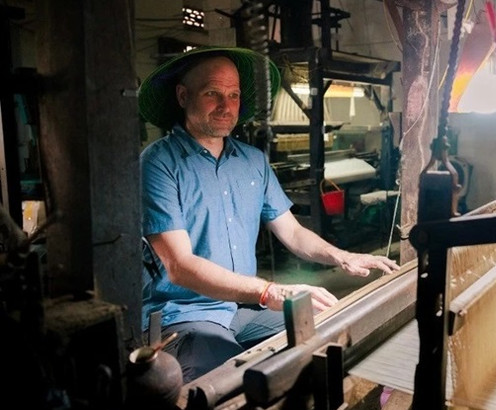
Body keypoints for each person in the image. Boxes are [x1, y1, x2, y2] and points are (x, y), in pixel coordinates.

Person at [137, 46, 399, 383]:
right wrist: (269, 291)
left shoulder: (252, 161)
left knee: (330, 334)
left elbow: (293, 232)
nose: (226, 105)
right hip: (187, 312)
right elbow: (179, 265)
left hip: (245, 308)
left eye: (233, 95)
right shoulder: (158, 163)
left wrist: (343, 256)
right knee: (227, 384)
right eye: (212, 93)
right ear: (183, 96)